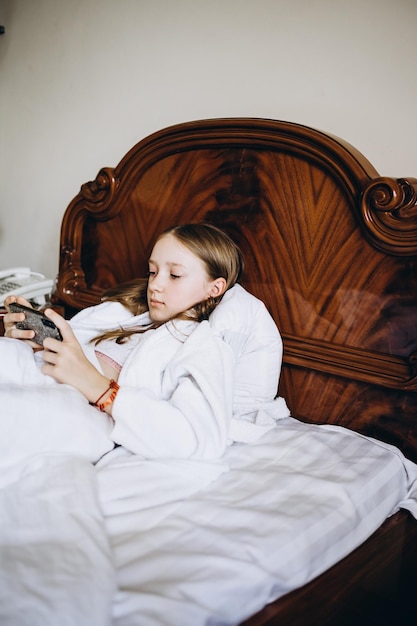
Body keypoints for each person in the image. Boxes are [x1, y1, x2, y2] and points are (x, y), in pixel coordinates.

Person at [2, 223, 244, 461]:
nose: (155, 285)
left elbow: (195, 438)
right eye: (152, 272)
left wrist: (101, 389)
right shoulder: (124, 315)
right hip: (41, 370)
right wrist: (33, 341)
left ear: (215, 288)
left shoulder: (203, 346)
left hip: (84, 407)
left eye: (174, 275)